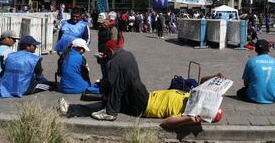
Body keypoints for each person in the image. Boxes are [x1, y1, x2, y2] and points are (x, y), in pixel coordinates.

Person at [58, 39, 225, 127]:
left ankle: (77, 110)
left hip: (143, 105)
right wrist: (214, 77)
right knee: (111, 97)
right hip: (145, 96)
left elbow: (166, 123)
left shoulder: (189, 113)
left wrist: (188, 121)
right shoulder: (195, 97)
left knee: (120, 86)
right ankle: (76, 110)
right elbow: (202, 82)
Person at [236, 39, 275, 104]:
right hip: (273, 97)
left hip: (254, 97)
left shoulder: (251, 62)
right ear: (268, 50)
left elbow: (246, 82)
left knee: (240, 92)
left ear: (256, 50)